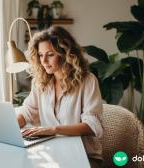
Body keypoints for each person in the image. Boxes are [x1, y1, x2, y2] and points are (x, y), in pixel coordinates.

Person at [15, 26, 103, 168]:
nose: (43, 61)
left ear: (65, 54)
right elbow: (28, 111)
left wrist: (54, 129)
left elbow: (92, 125)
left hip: (84, 155)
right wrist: (10, 126)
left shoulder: (88, 81)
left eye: (50, 54)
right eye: (40, 54)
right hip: (52, 152)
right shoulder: (40, 82)